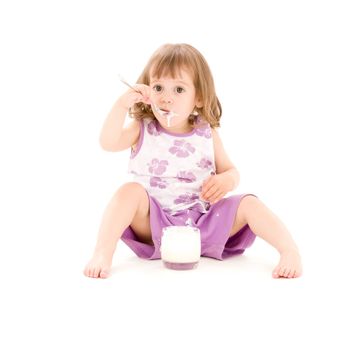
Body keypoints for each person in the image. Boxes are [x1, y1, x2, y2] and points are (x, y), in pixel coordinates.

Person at [84, 43, 302, 279]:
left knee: (250, 203)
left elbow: (231, 171)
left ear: (198, 97)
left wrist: (226, 181)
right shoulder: (142, 129)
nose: (166, 98)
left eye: (178, 90)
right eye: (158, 87)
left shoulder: (206, 133)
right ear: (146, 92)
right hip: (156, 224)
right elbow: (108, 142)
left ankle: (289, 250)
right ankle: (102, 253)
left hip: (204, 223)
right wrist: (121, 105)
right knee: (128, 192)